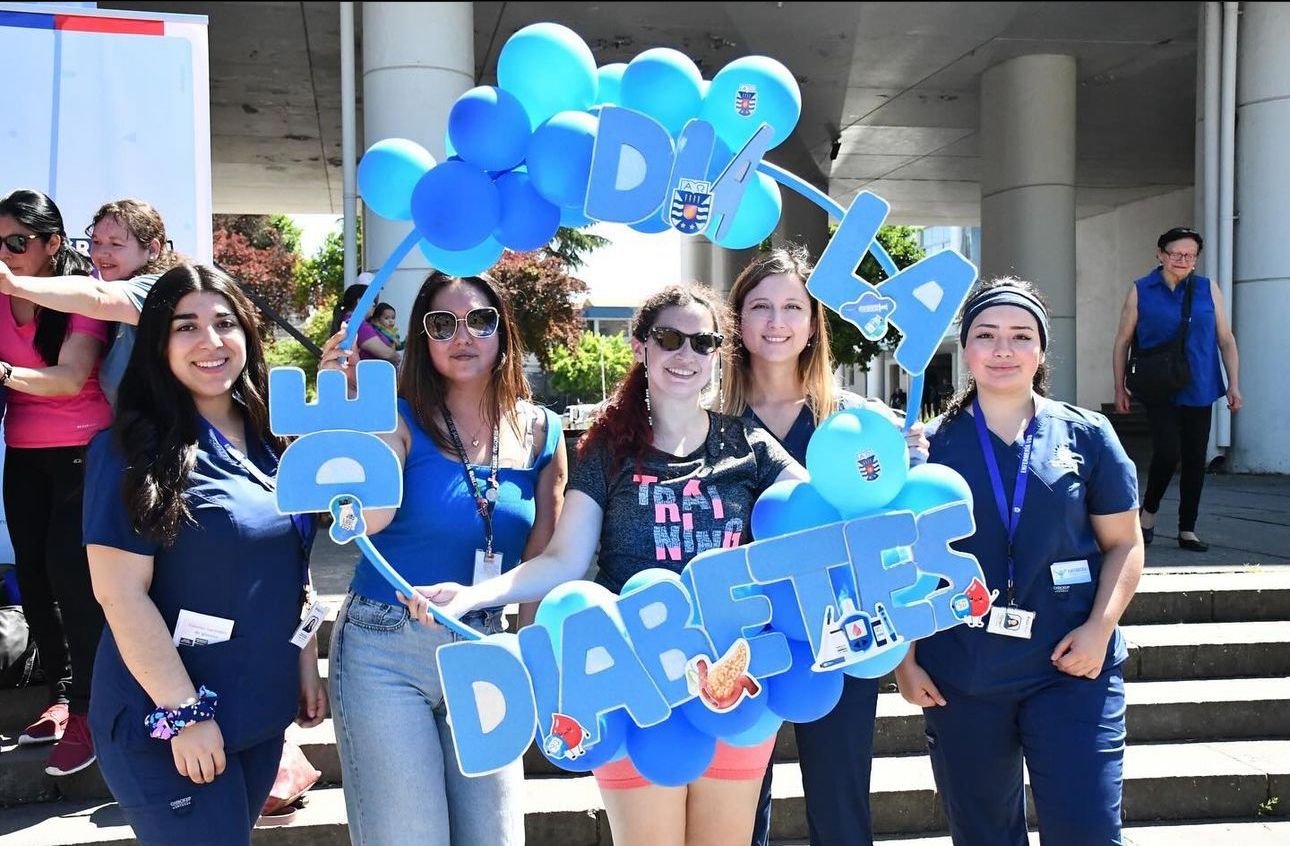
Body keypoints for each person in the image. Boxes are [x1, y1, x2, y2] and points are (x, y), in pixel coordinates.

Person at [402, 283, 808, 846]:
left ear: (718, 353)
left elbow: (819, 517)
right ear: (642, 348)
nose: (685, 354)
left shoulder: (749, 446)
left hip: (734, 678)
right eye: (669, 339)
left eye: (702, 341)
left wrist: (894, 463)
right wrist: (475, 596)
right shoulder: (606, 450)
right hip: (630, 684)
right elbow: (565, 559)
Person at [317, 270, 567, 846]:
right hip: (386, 646)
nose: (463, 335)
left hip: (484, 646)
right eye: (442, 323)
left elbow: (543, 557)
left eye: (480, 320)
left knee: (495, 837)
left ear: (502, 332)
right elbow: (366, 519)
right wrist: (351, 418)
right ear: (422, 337)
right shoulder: (400, 418)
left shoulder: (541, 432)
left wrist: (526, 653)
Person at [895, 278, 1144, 846]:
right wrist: (904, 662)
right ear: (966, 349)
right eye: (986, 335)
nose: (1003, 349)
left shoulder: (1087, 435)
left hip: (1070, 665)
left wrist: (1099, 630)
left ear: (1041, 351)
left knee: (1088, 832)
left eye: (1020, 336)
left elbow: (1125, 544)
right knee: (982, 835)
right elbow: (903, 563)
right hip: (962, 670)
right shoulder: (930, 448)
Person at [83, 264, 325, 845]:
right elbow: (118, 593)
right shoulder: (128, 451)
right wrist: (183, 714)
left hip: (257, 709)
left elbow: (291, 559)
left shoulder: (276, 439)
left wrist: (304, 655)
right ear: (158, 343)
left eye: (225, 323)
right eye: (186, 326)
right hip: (164, 721)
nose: (211, 342)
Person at [722, 246, 927, 846]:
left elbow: (892, 527)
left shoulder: (857, 421)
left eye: (792, 306)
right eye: (760, 307)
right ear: (738, 321)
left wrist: (906, 464)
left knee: (840, 805)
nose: (777, 321)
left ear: (814, 323)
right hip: (743, 633)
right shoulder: (712, 420)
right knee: (737, 807)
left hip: (842, 629)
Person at [0, 189, 111, 777]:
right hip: (22, 456)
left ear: (51, 243)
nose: (6, 254)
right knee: (35, 579)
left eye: (17, 242)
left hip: (82, 456)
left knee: (75, 581)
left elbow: (69, 380)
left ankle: (92, 712)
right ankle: (60, 698)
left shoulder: (81, 295)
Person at [1112, 227, 1241, 552]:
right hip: (1159, 386)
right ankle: (1149, 512)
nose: (1183, 260)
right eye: (1176, 254)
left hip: (1200, 383)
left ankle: (1188, 529)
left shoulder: (1207, 289)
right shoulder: (1142, 289)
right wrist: (1119, 388)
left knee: (1196, 458)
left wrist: (1234, 384)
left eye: (1190, 255)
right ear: (1161, 254)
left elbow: (1225, 339)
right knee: (1168, 452)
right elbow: (1123, 341)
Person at [0, 197, 183, 405]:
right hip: (131, 431)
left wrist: (13, 285)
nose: (101, 253)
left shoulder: (156, 288)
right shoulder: (117, 297)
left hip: (168, 432)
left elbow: (97, 298)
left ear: (153, 250)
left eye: (116, 244)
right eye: (96, 242)